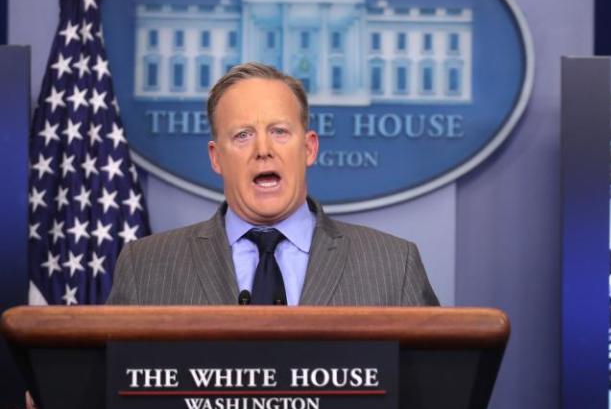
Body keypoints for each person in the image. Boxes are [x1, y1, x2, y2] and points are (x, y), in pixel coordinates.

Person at [106, 63, 439, 307]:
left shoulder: (393, 265)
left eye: (279, 131)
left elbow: (429, 397)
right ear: (216, 157)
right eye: (243, 135)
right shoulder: (146, 266)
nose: (263, 150)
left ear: (309, 148)